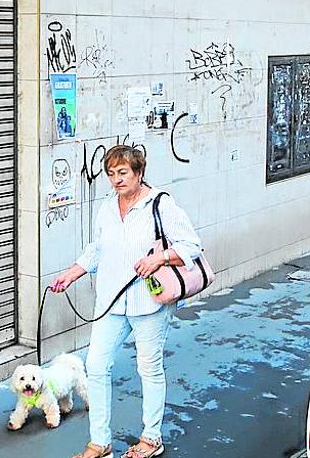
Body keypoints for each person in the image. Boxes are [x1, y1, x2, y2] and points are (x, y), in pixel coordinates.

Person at [51, 145, 203, 458]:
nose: (116, 180)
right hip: (111, 302)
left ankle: (151, 438)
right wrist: (71, 274)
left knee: (148, 369)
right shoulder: (107, 206)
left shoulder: (160, 203)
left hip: (150, 301)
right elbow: (97, 249)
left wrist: (160, 257)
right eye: (111, 174)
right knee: (96, 366)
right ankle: (100, 443)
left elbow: (192, 245)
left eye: (123, 173)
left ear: (139, 172)